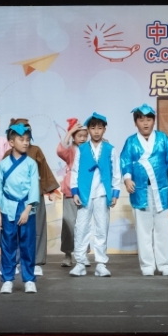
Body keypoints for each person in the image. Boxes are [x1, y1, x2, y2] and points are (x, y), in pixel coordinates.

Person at [121, 104, 168, 276]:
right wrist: (127, 178)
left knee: (164, 228)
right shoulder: (131, 141)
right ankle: (147, 265)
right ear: (135, 122)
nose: (145, 123)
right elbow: (125, 161)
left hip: (162, 190)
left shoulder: (163, 139)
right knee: (143, 230)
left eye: (148, 119)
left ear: (154, 121)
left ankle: (165, 264)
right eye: (141, 119)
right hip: (140, 190)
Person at [3, 118, 60, 277]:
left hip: (34, 195)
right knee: (14, 229)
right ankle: (14, 262)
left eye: (28, 130)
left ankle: (35, 262)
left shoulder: (36, 151)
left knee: (36, 229)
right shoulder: (8, 154)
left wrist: (50, 190)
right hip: (14, 198)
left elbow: (44, 170)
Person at [0, 121, 41, 293]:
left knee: (27, 244)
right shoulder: (3, 164)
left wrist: (28, 209)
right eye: (21, 139)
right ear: (11, 142)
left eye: (27, 139)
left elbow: (34, 188)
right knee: (8, 244)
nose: (25, 143)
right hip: (7, 207)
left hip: (26, 207)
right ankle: (7, 279)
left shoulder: (31, 164)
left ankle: (29, 279)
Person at [68, 113, 121, 278]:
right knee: (81, 227)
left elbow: (116, 172)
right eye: (93, 128)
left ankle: (101, 264)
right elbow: (75, 171)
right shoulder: (82, 149)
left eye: (99, 128)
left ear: (104, 129)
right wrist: (75, 191)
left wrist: (115, 193)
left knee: (102, 227)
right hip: (85, 192)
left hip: (102, 193)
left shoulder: (110, 149)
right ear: (88, 130)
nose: (96, 131)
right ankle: (80, 262)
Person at [56, 118, 89, 267]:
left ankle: (83, 254)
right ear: (74, 137)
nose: (82, 138)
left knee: (84, 224)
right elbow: (60, 150)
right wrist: (69, 133)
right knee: (69, 223)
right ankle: (68, 254)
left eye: (85, 136)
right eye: (79, 135)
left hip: (85, 191)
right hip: (70, 191)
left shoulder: (89, 150)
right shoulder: (70, 151)